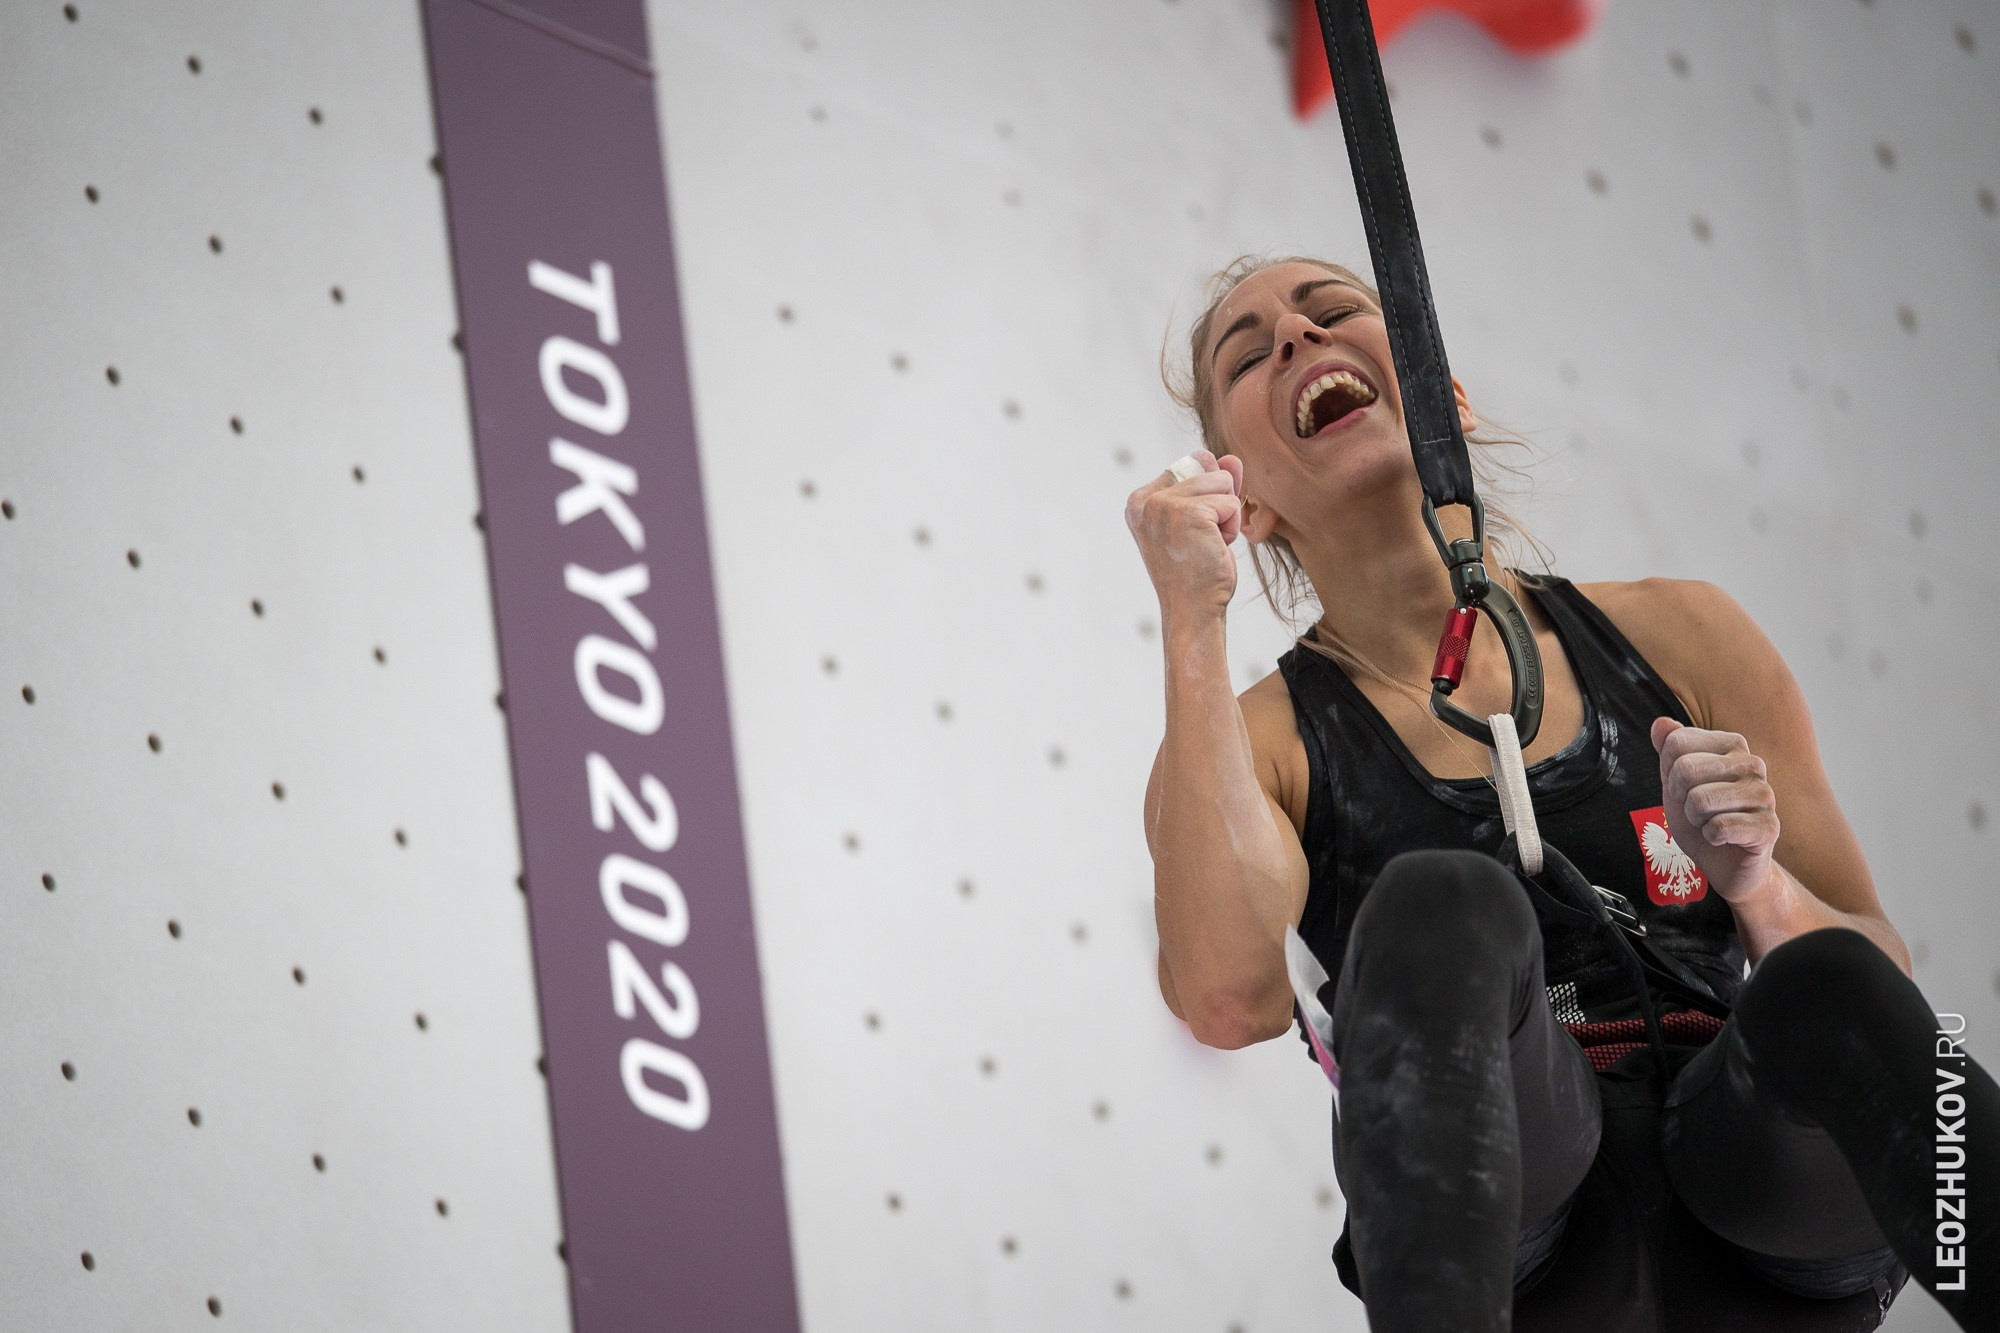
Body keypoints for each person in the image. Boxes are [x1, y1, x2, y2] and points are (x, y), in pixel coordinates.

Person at [1126, 254, 1997, 1330]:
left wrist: (1759, 888)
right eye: (1250, 352)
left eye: (1333, 310)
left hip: (1757, 1179)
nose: (1297, 339)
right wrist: (1188, 620)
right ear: (1237, 499)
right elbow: (1226, 996)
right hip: (1511, 1224)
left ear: (1444, 397)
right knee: (1441, 906)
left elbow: (1881, 968)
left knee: (1828, 979)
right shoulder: (1254, 738)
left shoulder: (1680, 632)